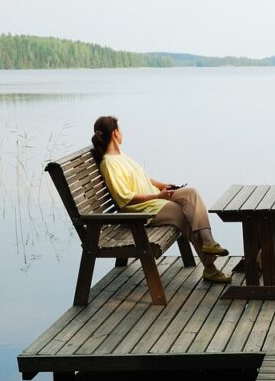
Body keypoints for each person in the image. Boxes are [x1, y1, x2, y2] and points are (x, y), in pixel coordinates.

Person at [91, 115, 231, 283]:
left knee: (191, 193)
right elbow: (125, 199)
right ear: (115, 133)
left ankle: (209, 241)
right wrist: (158, 196)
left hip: (157, 199)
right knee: (183, 214)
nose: (122, 133)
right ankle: (210, 268)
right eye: (120, 130)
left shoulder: (122, 156)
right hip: (143, 210)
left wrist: (162, 185)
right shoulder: (109, 164)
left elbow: (143, 177)